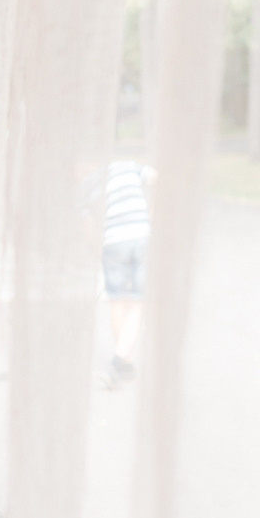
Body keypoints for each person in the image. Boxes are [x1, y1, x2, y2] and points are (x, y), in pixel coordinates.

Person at [100, 159, 152, 389]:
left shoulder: (100, 177)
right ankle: (118, 361)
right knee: (138, 303)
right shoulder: (130, 167)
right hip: (140, 236)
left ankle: (125, 362)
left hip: (112, 240)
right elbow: (158, 178)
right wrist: (151, 211)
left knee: (117, 302)